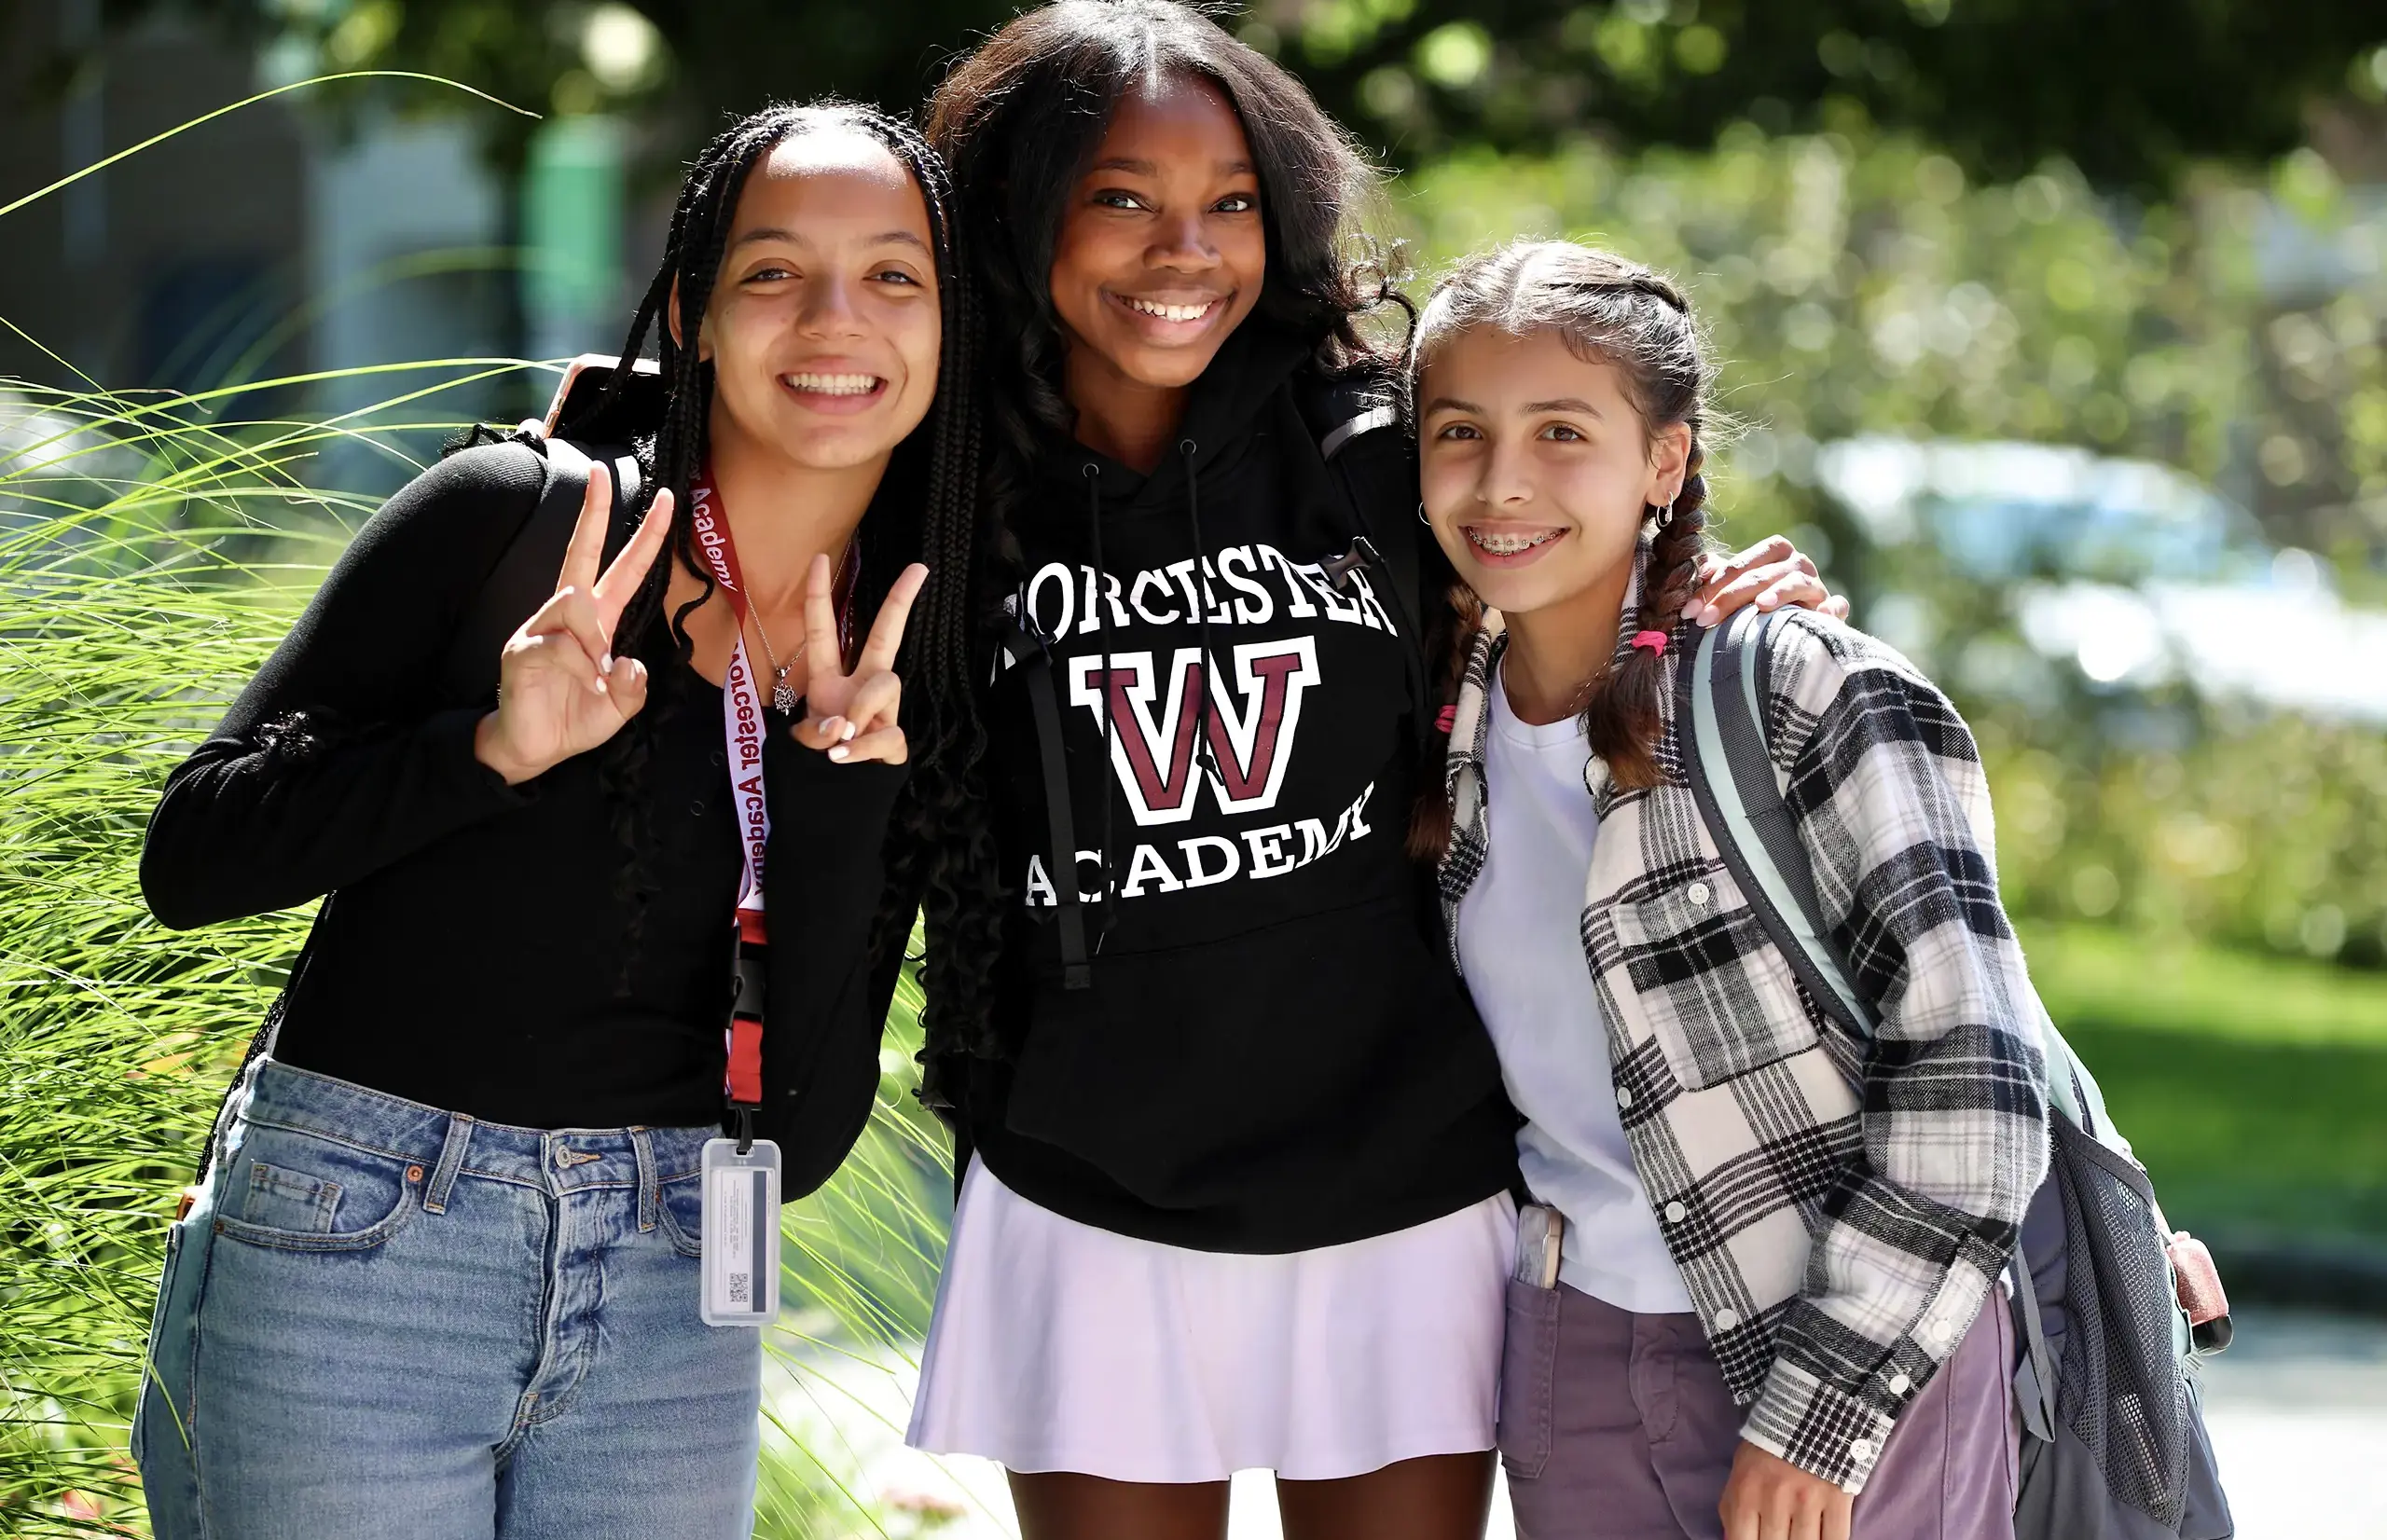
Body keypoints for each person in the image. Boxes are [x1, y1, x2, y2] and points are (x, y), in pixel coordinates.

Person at [895, 7, 1842, 1538]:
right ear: (1026, 209)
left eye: (1230, 205)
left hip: (1404, 1180)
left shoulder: (1371, 450)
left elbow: (1570, 566)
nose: (1180, 249)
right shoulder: (944, 481)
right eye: (1122, 196)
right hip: (1089, 1186)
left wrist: (1718, 594)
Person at [129, 101, 983, 1540]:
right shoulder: (514, 519)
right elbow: (194, 858)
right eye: (774, 271)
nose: (836, 319)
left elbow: (799, 1133)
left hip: (674, 1280)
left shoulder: (914, 657)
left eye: (894, 275)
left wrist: (845, 793)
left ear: (950, 328)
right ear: (697, 316)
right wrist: (484, 748)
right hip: (361, 1241)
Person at [1413, 238, 2049, 1540]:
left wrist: (1824, 1411)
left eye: (1563, 432)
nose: (1503, 481)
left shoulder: (1804, 693)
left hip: (1839, 1353)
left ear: (1666, 459)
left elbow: (1974, 1084)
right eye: (1460, 431)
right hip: (1573, 1350)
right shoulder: (1448, 718)